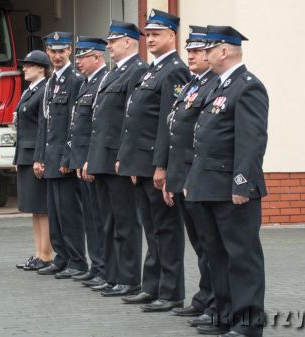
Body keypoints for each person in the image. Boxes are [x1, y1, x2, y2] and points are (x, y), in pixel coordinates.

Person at [184, 25, 269, 337]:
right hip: (207, 186)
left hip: (232, 190)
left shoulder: (247, 87)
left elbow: (251, 142)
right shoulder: (217, 86)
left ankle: (247, 323)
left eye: (208, 49)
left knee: (241, 257)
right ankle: (224, 315)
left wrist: (242, 184)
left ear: (223, 51)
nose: (203, 54)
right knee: (216, 255)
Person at [115, 9, 190, 311]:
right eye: (149, 34)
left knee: (166, 229)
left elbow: (167, 124)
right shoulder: (150, 70)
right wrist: (129, 160)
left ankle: (170, 292)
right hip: (141, 164)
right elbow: (134, 120)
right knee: (151, 228)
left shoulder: (174, 70)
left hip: (156, 165)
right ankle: (152, 285)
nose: (151, 39)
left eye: (157, 33)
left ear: (172, 36)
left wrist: (162, 165)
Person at [81, 21, 147, 296]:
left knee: (125, 222)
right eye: (108, 41)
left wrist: (125, 157)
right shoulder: (111, 74)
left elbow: (131, 121)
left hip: (119, 160)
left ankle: (129, 278)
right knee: (106, 222)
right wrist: (90, 158)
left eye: (114, 41)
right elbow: (100, 121)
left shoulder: (138, 71)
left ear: (129, 42)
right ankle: (111, 274)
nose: (108, 46)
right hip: (101, 159)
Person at [162, 26, 217, 322]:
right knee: (199, 244)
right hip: (183, 175)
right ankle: (203, 297)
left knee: (209, 245)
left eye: (197, 51)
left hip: (198, 177)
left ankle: (212, 302)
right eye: (190, 50)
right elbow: (176, 133)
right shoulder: (192, 85)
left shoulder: (213, 86)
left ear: (211, 54)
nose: (192, 55)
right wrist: (172, 177)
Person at [35, 32, 88, 279]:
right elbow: (44, 124)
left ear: (70, 51)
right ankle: (62, 257)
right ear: (47, 51)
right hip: (51, 157)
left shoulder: (75, 80)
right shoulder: (50, 81)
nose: (57, 56)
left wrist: (69, 156)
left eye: (62, 51)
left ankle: (77, 261)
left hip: (64, 159)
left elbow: (75, 123)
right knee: (55, 212)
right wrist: (40, 157)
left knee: (70, 213)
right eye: (53, 51)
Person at [66, 36, 109, 284]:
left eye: (82, 57)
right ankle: (97, 266)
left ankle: (103, 267)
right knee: (91, 218)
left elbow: (97, 127)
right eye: (78, 57)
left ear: (97, 57)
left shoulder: (103, 81)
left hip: (92, 160)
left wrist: (89, 159)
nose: (78, 61)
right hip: (82, 159)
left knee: (99, 218)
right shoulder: (86, 83)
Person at [13, 50, 54, 271]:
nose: (24, 68)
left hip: (35, 154)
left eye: (29, 65)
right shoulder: (30, 91)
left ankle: (46, 254)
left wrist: (40, 158)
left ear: (41, 68)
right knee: (34, 207)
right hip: (26, 153)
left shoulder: (44, 89)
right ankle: (39, 252)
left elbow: (43, 127)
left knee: (42, 207)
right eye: (25, 64)